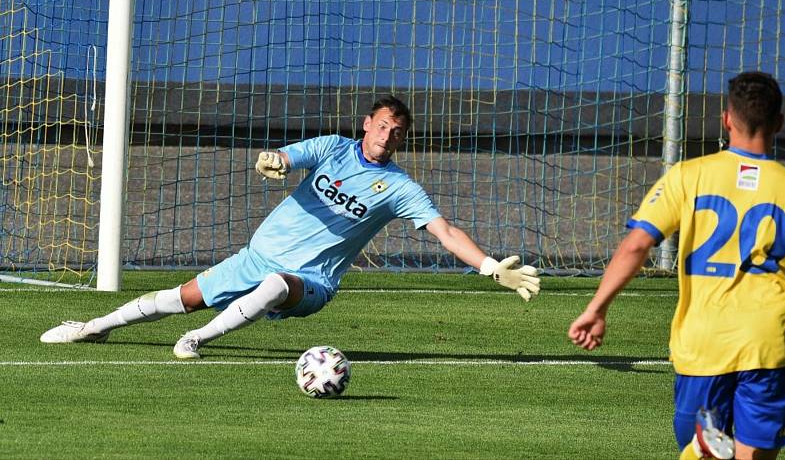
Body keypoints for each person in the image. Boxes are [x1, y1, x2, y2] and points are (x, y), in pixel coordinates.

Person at [41, 95, 540, 359]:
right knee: (178, 296)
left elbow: (445, 231)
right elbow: (284, 155)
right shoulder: (332, 149)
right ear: (367, 123)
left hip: (312, 282)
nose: (388, 136)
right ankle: (92, 328)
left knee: (276, 286)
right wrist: (271, 159)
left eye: (398, 132)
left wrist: (490, 266)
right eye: (383, 125)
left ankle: (196, 340)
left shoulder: (401, 188)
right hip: (256, 257)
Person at [568, 72, 785, 460]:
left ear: (726, 119)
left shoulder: (689, 176)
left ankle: (702, 449)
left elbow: (636, 245)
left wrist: (597, 308)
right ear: (779, 123)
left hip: (704, 339)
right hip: (770, 340)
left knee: (702, 447)